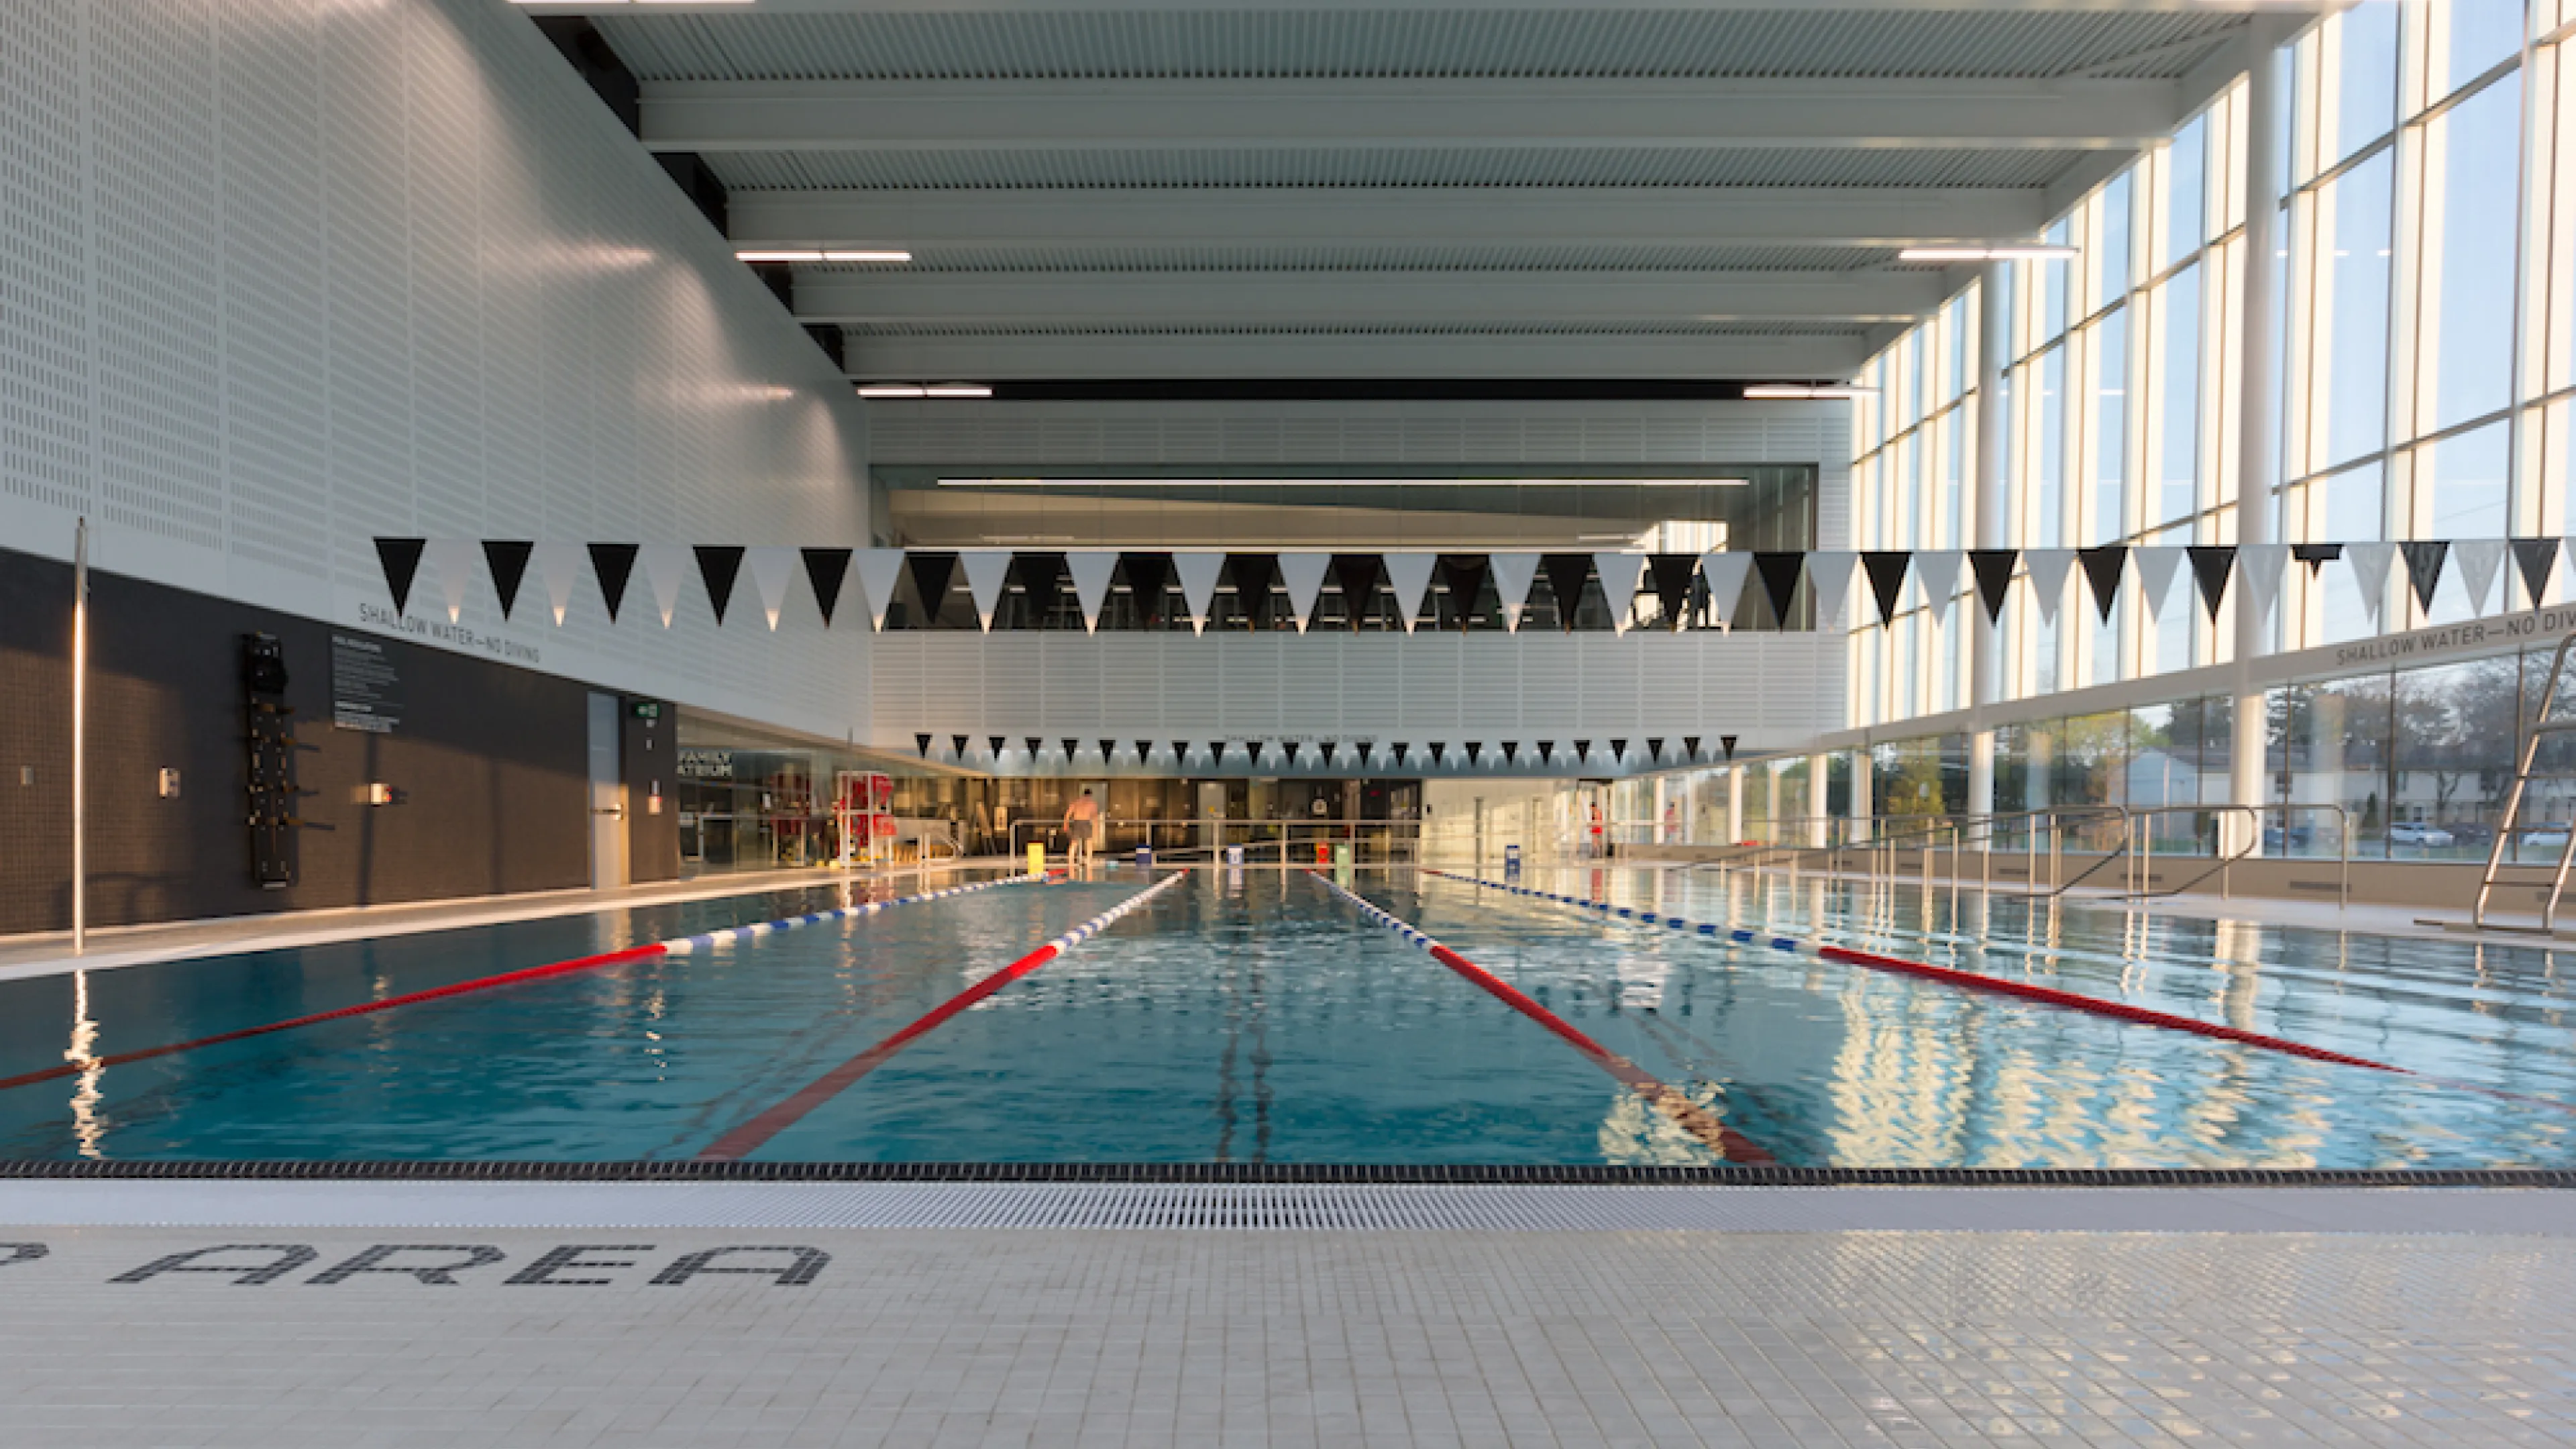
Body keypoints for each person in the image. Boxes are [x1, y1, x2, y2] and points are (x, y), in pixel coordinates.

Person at [1063, 788, 1102, 871]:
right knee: (1089, 843)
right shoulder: (1092, 804)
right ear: (1090, 795)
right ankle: (1088, 860)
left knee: (1074, 843)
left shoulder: (1076, 802)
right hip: (1086, 822)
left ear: (1083, 794)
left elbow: (1067, 814)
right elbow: (1095, 817)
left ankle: (1070, 861)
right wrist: (1096, 829)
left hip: (1077, 822)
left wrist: (1065, 825)